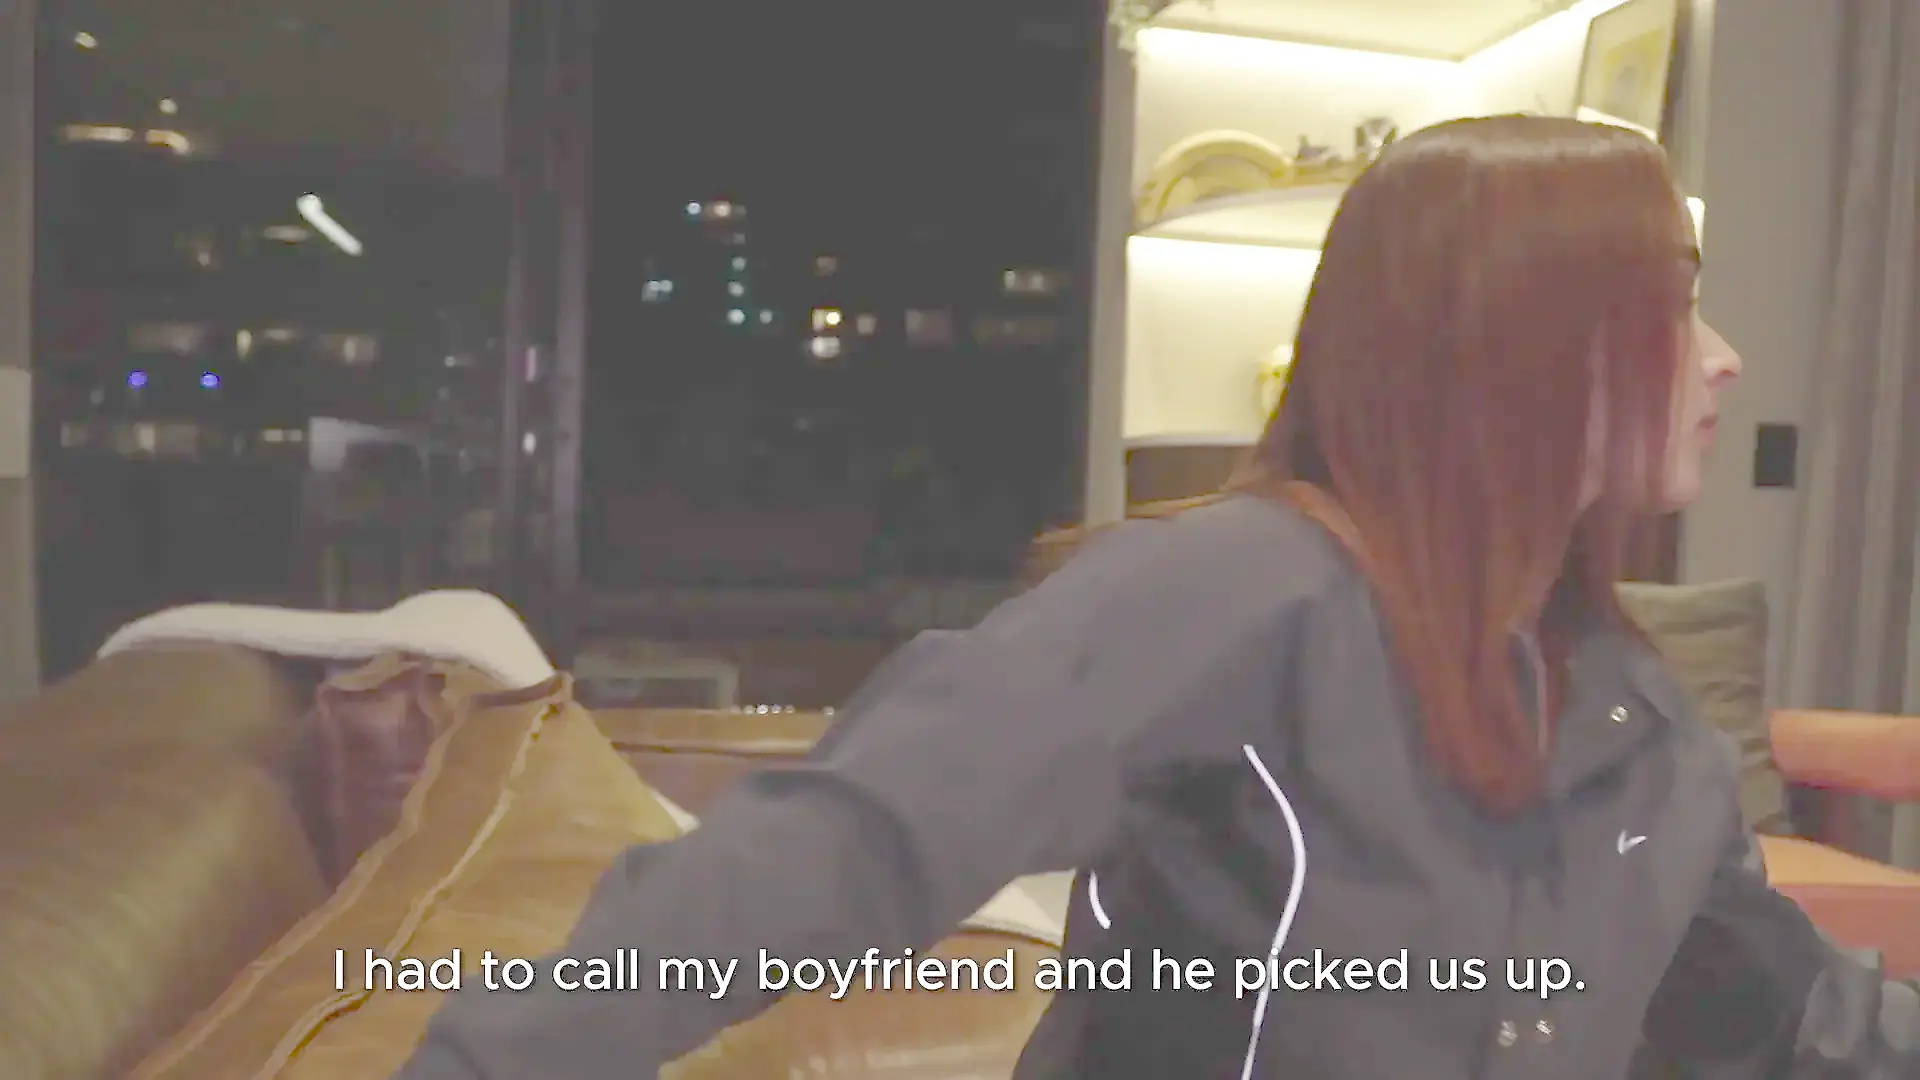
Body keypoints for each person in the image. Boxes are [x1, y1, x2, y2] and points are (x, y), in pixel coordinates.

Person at [393, 115, 1920, 1079]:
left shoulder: (1635, 717)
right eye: (1673, 309)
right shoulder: (1232, 597)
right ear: (1511, 342)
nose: (1724, 359)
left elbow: (1788, 1013)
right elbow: (832, 855)